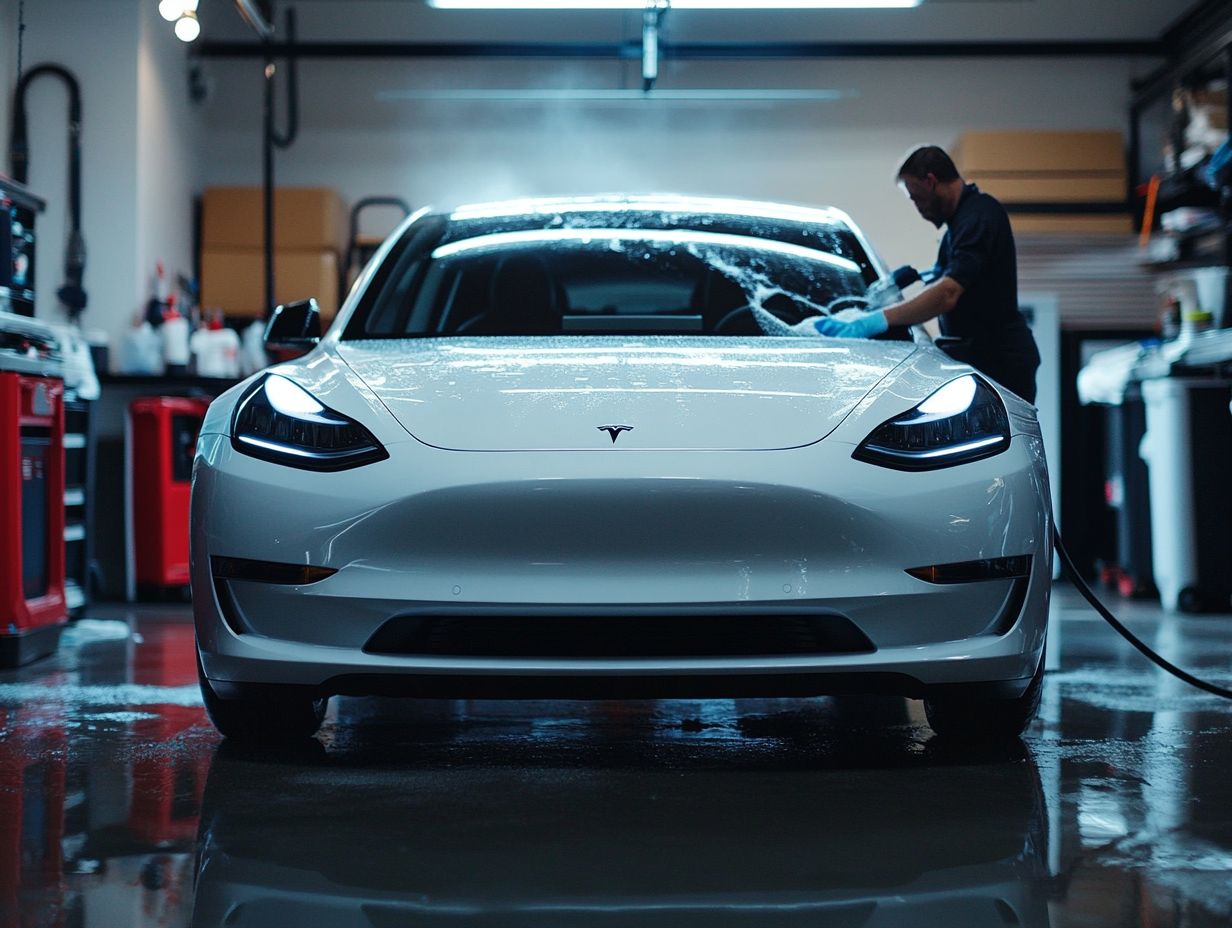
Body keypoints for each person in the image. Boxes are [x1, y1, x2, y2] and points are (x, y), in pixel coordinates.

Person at [806, 145, 1041, 404]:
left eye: (915, 197)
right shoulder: (960, 224)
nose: (918, 208)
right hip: (982, 358)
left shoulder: (979, 216)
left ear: (931, 181)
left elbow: (947, 294)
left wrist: (876, 321)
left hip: (1001, 364)